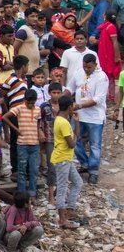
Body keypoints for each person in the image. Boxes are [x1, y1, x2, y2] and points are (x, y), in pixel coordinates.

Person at [66, 53, 108, 184]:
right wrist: (61, 98)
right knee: (74, 139)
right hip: (79, 115)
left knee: (95, 145)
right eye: (85, 67)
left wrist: (79, 105)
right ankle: (85, 164)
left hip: (95, 117)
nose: (86, 69)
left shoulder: (102, 77)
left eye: (89, 67)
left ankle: (93, 171)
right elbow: (70, 88)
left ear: (95, 65)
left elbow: (98, 99)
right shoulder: (79, 72)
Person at [51, 94, 83, 228]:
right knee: (62, 188)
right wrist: (75, 130)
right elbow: (72, 144)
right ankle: (63, 220)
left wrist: (75, 123)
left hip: (65, 158)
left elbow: (73, 139)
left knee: (78, 182)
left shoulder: (60, 119)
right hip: (63, 158)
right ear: (70, 107)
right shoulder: (63, 122)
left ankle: (70, 209)